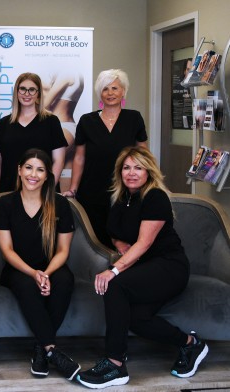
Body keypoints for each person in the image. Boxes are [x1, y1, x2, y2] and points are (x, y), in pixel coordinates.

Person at [77, 146, 208, 389]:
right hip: (144, 269)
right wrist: (120, 245)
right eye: (127, 167)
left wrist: (114, 269)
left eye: (138, 167)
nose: (132, 173)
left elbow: (145, 243)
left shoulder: (155, 197)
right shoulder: (121, 198)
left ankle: (115, 364)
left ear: (148, 171)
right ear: (120, 172)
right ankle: (191, 344)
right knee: (135, 318)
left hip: (169, 267)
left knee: (114, 286)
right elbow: (114, 233)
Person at [0, 148, 80, 381]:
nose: (34, 174)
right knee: (27, 285)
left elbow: (63, 250)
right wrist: (34, 274)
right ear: (19, 171)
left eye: (40, 169)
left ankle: (41, 351)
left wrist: (46, 273)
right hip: (17, 269)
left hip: (51, 266)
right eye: (29, 168)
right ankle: (51, 349)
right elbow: (7, 250)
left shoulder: (60, 205)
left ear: (47, 175)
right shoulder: (5, 204)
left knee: (64, 280)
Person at [63, 69, 148, 248]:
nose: (110, 93)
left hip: (126, 188)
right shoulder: (87, 121)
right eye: (105, 89)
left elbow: (144, 154)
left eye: (115, 88)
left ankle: (122, 271)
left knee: (124, 236)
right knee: (95, 237)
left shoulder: (134, 118)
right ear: (99, 94)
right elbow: (79, 158)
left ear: (123, 91)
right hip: (92, 189)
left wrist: (150, 182)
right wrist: (73, 188)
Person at [0, 72, 67, 194]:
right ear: (16, 92)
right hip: (8, 193)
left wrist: (49, 189)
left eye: (32, 90)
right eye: (23, 89)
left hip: (42, 192)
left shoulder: (51, 122)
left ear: (38, 94)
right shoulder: (3, 123)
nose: (27, 94)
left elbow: (59, 160)